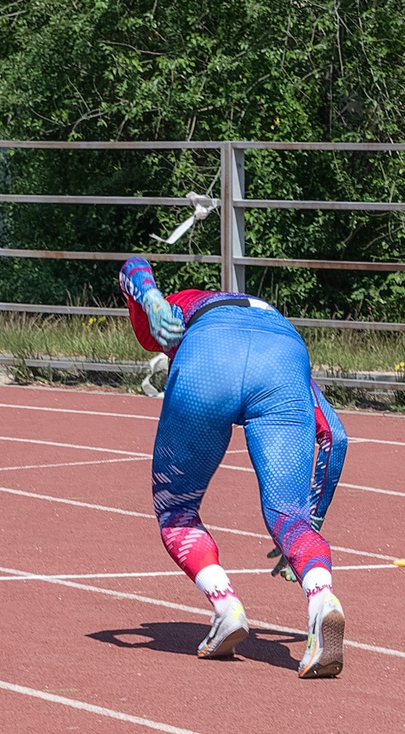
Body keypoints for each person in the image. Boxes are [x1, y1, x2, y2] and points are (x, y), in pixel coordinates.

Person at [121, 256, 349, 678]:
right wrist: (311, 521)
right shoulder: (272, 323)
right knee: (290, 519)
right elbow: (335, 437)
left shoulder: (181, 306)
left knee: (177, 513)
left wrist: (150, 297)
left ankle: (225, 605)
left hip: (208, 354)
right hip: (283, 353)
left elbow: (133, 266)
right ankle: (322, 596)